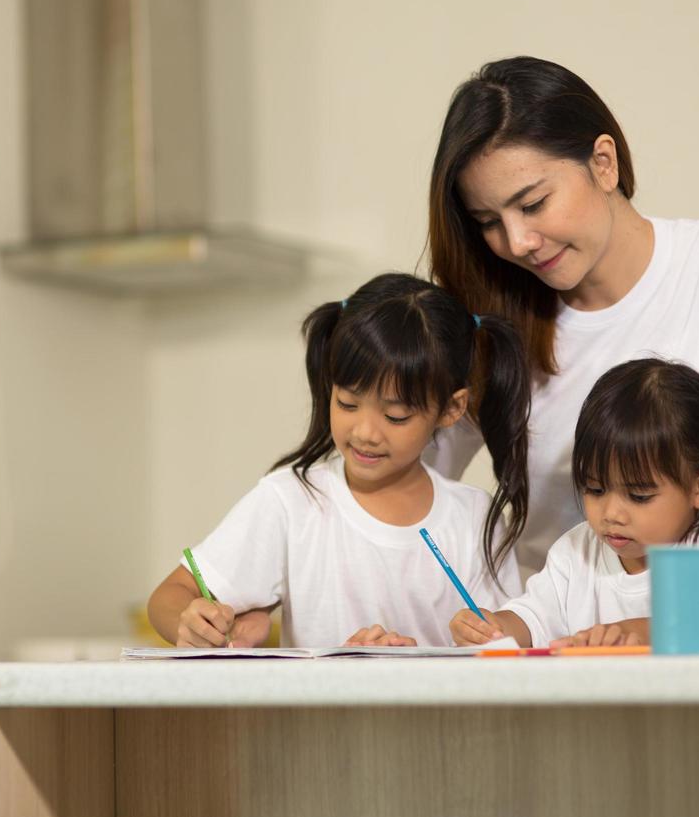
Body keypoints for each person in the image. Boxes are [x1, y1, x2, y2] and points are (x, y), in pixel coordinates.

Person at [426, 56, 699, 634]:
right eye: (488, 221)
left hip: (698, 637)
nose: (517, 241)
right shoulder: (496, 324)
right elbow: (394, 474)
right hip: (552, 653)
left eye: (533, 203)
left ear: (603, 162)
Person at [146, 272, 530, 648]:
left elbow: (507, 647)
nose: (365, 431)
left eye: (395, 416)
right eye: (347, 403)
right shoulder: (290, 502)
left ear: (451, 408)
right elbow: (169, 596)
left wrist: (481, 638)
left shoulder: (475, 517)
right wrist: (192, 621)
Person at [451, 358, 699, 648]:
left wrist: (629, 632)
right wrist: (496, 626)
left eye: (639, 496)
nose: (610, 514)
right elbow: (534, 619)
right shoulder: (575, 552)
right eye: (594, 489)